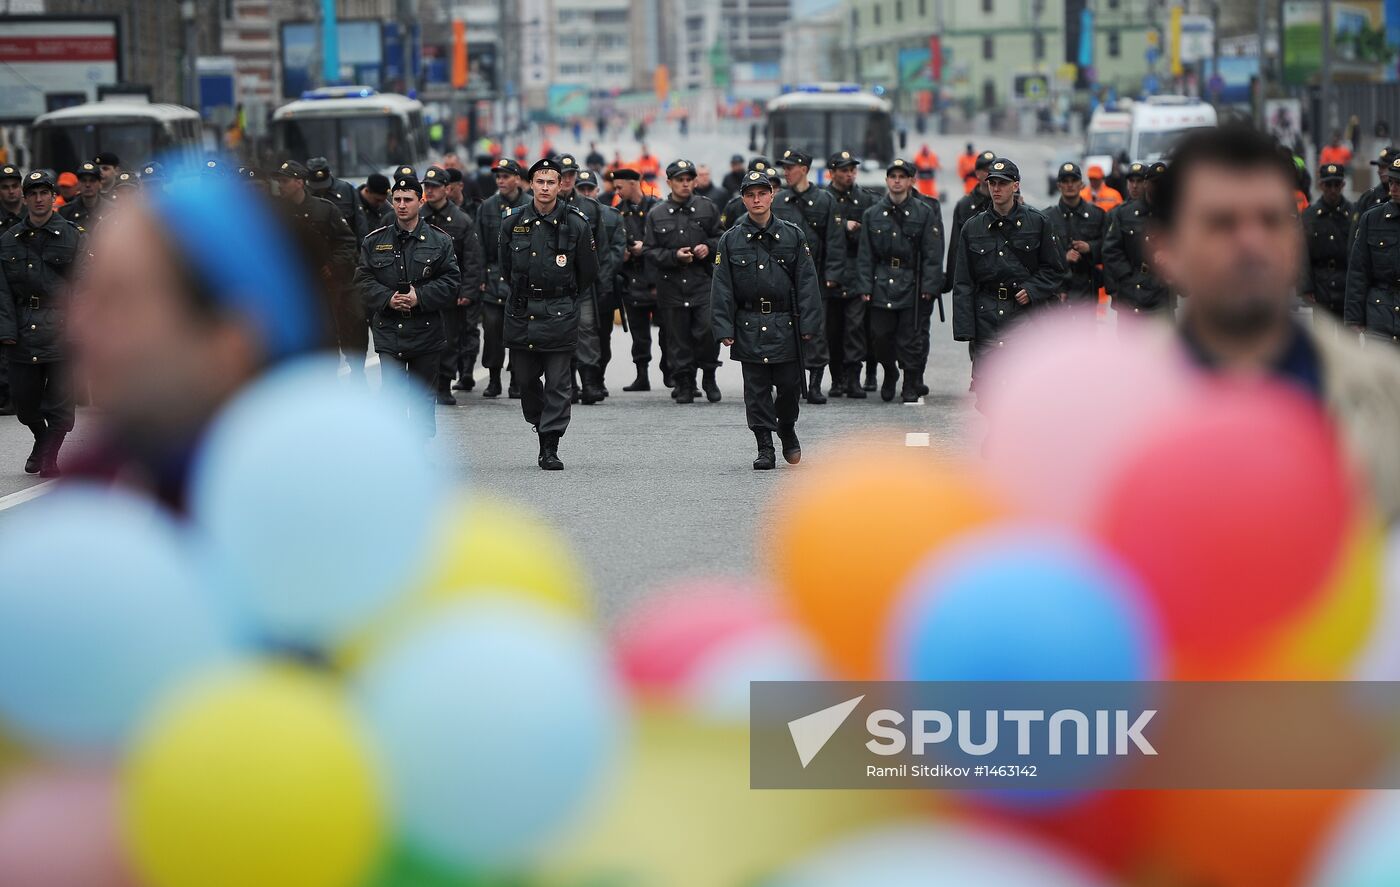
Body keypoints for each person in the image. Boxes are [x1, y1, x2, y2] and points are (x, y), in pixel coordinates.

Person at [1156, 124, 1400, 523]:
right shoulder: (1124, 397)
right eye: (1222, 223)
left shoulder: (1382, 390)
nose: (1251, 242)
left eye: (1271, 220)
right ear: (1166, 247)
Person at [68, 162, 334, 509]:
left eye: (118, 298)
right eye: (88, 291)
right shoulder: (92, 493)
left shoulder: (302, 507)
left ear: (231, 342)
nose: (78, 323)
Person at [712, 170, 824, 469]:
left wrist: (810, 325)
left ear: (772, 194)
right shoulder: (730, 239)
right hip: (749, 324)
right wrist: (723, 327)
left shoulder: (792, 235)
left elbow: (807, 282)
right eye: (750, 194)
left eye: (762, 193)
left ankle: (786, 427)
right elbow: (722, 286)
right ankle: (764, 446)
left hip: (786, 323)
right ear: (743, 198)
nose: (757, 199)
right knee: (756, 390)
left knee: (789, 387)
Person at [498, 157, 600, 470]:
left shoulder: (576, 223)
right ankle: (540, 422)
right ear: (530, 185)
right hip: (522, 311)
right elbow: (505, 266)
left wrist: (562, 297)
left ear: (559, 186)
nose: (545, 187)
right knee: (526, 381)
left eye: (551, 182)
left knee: (559, 383)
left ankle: (550, 442)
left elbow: (587, 273)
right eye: (539, 181)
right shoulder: (511, 222)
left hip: (559, 311)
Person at [950, 157, 1067, 400]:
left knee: (1023, 391)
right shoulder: (972, 228)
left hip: (1024, 317)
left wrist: (1033, 289)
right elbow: (963, 282)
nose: (996, 188)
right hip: (987, 316)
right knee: (986, 396)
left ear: (1015, 186)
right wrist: (965, 328)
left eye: (1002, 183)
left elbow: (1055, 269)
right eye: (992, 183)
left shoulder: (1038, 223)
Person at [356, 176, 461, 437]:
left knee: (423, 398)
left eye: (408, 200)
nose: (402, 205)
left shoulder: (439, 240)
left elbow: (451, 281)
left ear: (420, 201)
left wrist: (420, 296)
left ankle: (420, 449)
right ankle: (396, 454)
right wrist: (387, 297)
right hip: (390, 329)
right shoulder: (374, 240)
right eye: (397, 200)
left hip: (425, 329)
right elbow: (362, 280)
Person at [0, 171, 87, 476]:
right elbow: (2, 292)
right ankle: (42, 440)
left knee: (61, 406)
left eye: (44, 193)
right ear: (24, 199)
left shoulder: (73, 235)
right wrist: (6, 331)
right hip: (23, 330)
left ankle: (49, 456)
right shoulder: (8, 241)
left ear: (53, 197)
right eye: (32, 193)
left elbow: (84, 285)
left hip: (62, 330)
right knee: (25, 405)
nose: (38, 199)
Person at [853, 158, 945, 403]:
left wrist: (929, 285)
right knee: (880, 336)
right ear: (887, 180)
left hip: (911, 283)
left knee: (911, 338)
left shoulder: (923, 212)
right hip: (882, 282)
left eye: (902, 177)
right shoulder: (872, 214)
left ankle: (909, 383)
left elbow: (932, 253)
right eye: (893, 176)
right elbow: (865, 255)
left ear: (910, 181)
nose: (896, 181)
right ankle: (890, 371)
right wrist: (865, 286)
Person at [272, 160, 363, 377]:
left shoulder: (325, 209)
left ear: (299, 182)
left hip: (330, 286)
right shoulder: (276, 213)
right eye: (278, 182)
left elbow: (347, 241)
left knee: (349, 327)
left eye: (284, 181)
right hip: (296, 289)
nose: (280, 186)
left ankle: (354, 374)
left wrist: (333, 266)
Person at [644, 158, 723, 404]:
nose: (685, 184)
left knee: (707, 331)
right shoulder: (656, 214)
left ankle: (708, 376)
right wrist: (673, 257)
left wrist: (707, 248)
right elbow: (649, 251)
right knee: (677, 338)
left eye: (689, 179)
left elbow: (721, 238)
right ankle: (685, 382)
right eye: (680, 180)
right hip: (672, 285)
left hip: (701, 282)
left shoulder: (707, 208)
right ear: (669, 182)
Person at [773, 149, 841, 403]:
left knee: (816, 331)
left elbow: (835, 241)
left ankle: (814, 384)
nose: (785, 172)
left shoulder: (824, 200)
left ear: (803, 169)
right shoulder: (779, 201)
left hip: (815, 277)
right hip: (784, 277)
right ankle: (791, 383)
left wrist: (832, 274)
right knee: (786, 331)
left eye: (790, 167)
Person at [421, 165, 485, 404]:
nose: (430, 190)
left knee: (449, 341)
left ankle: (445, 385)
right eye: (427, 186)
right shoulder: (418, 216)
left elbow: (472, 258)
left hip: (450, 292)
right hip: (423, 290)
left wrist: (468, 291)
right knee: (423, 341)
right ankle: (425, 385)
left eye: (435, 186)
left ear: (447, 189)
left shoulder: (461, 220)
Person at [824, 150, 878, 398]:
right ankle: (837, 378)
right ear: (832, 173)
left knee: (855, 329)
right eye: (844, 170)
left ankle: (854, 378)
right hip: (830, 275)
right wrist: (841, 225)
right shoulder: (823, 200)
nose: (849, 175)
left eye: (852, 170)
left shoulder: (866, 200)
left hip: (856, 273)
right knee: (832, 330)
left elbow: (874, 236)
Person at [477, 158, 531, 399]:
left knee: (519, 333)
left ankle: (517, 380)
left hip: (521, 279)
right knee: (492, 331)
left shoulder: (531, 205)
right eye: (498, 176)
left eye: (506, 176)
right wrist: (479, 278)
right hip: (492, 278)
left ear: (517, 179)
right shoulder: (487, 207)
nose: (500, 180)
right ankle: (494, 378)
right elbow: (476, 247)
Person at [557, 154, 608, 404]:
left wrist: (600, 282)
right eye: (562, 174)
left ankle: (590, 383)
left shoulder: (590, 207)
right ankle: (568, 386)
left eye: (570, 175)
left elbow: (602, 250)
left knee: (587, 331)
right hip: (553, 284)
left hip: (583, 283)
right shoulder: (541, 205)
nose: (567, 179)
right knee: (559, 334)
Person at [576, 169, 627, 390]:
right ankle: (578, 382)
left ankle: (598, 377)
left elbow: (615, 252)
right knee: (577, 335)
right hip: (579, 286)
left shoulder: (611, 215)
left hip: (603, 286)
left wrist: (601, 278)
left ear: (597, 190)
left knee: (602, 336)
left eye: (590, 188)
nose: (586, 192)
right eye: (582, 188)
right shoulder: (569, 213)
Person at [613, 168, 664, 391]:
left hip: (660, 278)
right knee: (639, 334)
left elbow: (668, 239)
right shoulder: (616, 213)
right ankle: (641, 374)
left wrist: (647, 248)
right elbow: (613, 244)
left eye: (619, 186)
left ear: (634, 183)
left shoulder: (658, 208)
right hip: (632, 279)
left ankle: (670, 368)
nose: (617, 191)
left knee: (670, 332)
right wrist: (621, 254)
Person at [1102, 160, 1173, 320]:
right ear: (1147, 184)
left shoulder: (1174, 216)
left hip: (1162, 293)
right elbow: (1110, 250)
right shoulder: (1124, 213)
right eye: (1155, 183)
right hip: (1133, 291)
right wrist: (1125, 279)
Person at [1345, 154, 1400, 347]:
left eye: (1399, 183)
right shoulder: (1372, 219)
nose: (1393, 188)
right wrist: (1354, 318)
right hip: (1379, 314)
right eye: (1392, 182)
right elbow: (1358, 270)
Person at [1047, 162, 1107, 321]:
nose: (1069, 185)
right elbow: (1040, 257)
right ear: (1059, 185)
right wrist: (1063, 257)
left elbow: (1111, 250)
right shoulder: (1047, 218)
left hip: (1086, 290)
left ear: (1081, 184)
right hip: (1058, 292)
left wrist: (1090, 248)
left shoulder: (1097, 215)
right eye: (1065, 181)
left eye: (1073, 181)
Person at [1302, 163, 1354, 327]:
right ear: (1321, 185)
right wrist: (1306, 287)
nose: (1332, 189)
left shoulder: (1353, 214)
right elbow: (1302, 254)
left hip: (1346, 284)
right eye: (1328, 184)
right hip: (1320, 285)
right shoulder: (1310, 216)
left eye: (1337, 184)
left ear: (1343, 185)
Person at [306, 157, 358, 235]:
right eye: (317, 186)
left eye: (324, 185)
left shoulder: (346, 190)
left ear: (330, 173)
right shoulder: (303, 194)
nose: (321, 189)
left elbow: (359, 223)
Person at [61, 162, 108, 230]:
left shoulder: (112, 210)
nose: (88, 185)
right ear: (77, 184)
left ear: (100, 183)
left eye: (92, 180)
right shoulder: (66, 212)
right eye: (83, 180)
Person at [0, 164, 22, 238]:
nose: (11, 191)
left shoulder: (33, 215)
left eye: (15, 186)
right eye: (5, 187)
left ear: (21, 187)